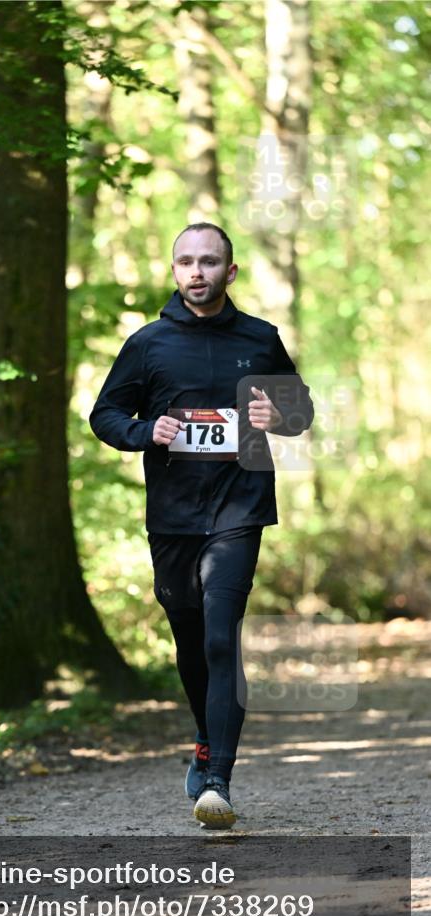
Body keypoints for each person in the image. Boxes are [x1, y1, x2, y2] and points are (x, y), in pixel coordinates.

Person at [89, 222, 314, 829]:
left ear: (229, 272)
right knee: (190, 640)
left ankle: (218, 780)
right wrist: (145, 431)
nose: (198, 272)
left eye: (209, 262)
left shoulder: (260, 338)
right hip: (172, 515)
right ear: (173, 271)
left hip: (240, 508)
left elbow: (300, 408)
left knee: (221, 636)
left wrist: (280, 411)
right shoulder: (148, 344)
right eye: (187, 261)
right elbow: (104, 413)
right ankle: (204, 735)